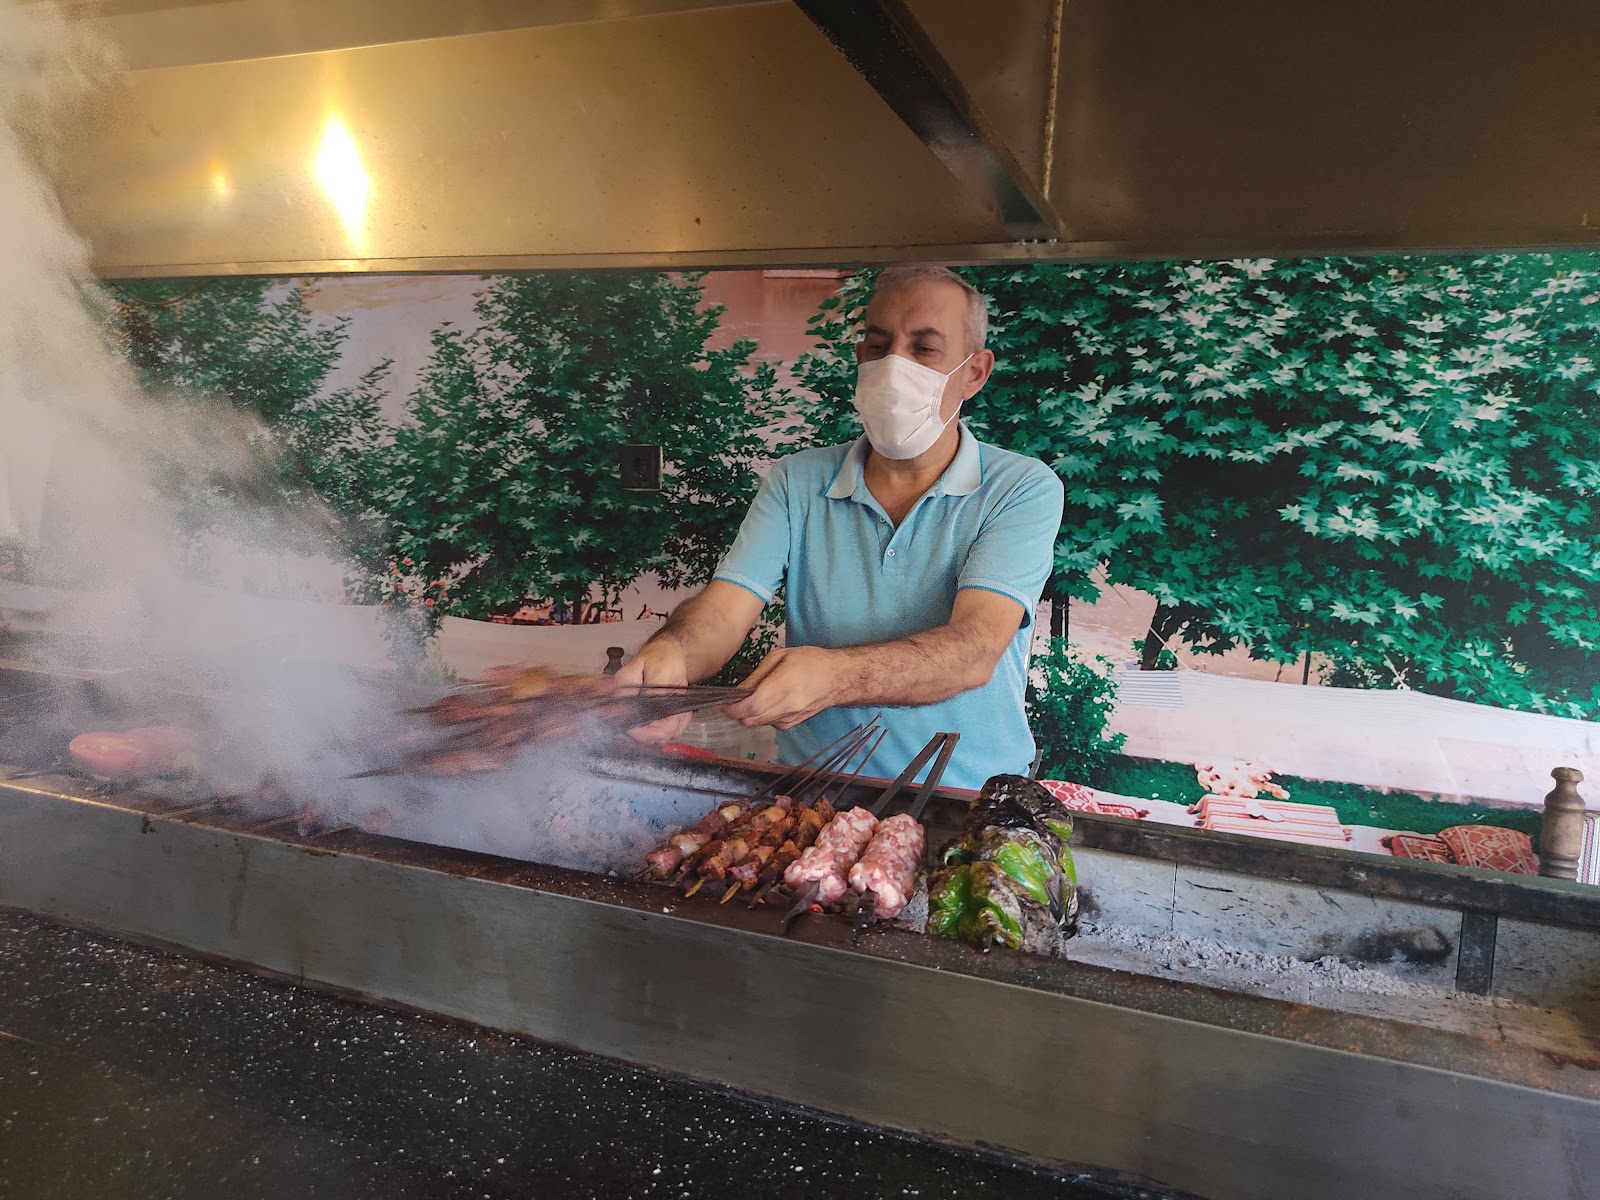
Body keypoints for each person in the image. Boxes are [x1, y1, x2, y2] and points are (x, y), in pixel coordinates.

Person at [616, 265, 1064, 791]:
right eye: (878, 346)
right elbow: (723, 607)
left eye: (923, 350)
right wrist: (675, 652)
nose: (894, 366)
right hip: (807, 795)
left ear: (975, 372)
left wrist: (834, 676)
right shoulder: (796, 480)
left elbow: (973, 650)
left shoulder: (1021, 487)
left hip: (967, 798)